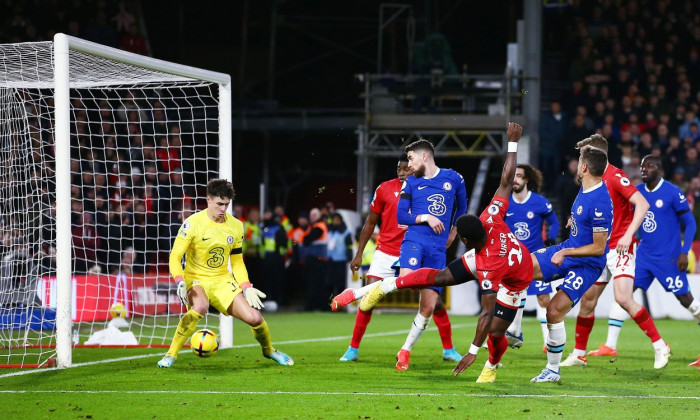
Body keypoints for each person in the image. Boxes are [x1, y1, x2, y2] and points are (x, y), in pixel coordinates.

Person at [333, 122, 534, 382]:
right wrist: (513, 143)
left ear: (463, 239)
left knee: (495, 333)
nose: (406, 165)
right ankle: (374, 290)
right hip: (488, 253)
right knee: (438, 277)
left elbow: (486, 312)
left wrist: (473, 352)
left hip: (514, 280)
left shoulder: (488, 263)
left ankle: (492, 365)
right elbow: (506, 181)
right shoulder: (490, 217)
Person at [559, 135, 671, 372]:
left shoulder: (616, 176)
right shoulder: (591, 180)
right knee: (587, 301)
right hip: (599, 249)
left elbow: (642, 204)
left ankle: (660, 345)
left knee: (623, 298)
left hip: (620, 246)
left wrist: (629, 234)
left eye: (583, 157)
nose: (580, 162)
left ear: (595, 155)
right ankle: (579, 354)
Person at [157, 179, 293, 368]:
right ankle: (171, 354)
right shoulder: (192, 223)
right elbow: (175, 256)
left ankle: (269, 350)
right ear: (209, 200)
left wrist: (246, 287)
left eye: (226, 204)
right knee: (200, 306)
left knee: (255, 318)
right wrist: (180, 280)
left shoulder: (236, 225)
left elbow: (236, 261)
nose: (223, 209)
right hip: (196, 278)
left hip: (222, 280)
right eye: (219, 204)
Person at [590, 155, 700, 362]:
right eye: (642, 166)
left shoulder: (673, 193)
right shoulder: (637, 192)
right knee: (623, 296)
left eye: (649, 166)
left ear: (660, 170)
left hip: (669, 258)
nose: (644, 169)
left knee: (687, 301)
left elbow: (690, 223)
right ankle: (610, 346)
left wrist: (684, 251)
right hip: (644, 256)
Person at [394, 138, 468, 370]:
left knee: (427, 306)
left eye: (411, 158)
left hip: (437, 249)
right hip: (415, 239)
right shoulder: (411, 184)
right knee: (406, 281)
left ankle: (404, 351)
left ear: (424, 156)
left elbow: (462, 208)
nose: (408, 164)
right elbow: (401, 216)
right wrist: (426, 217)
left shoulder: (454, 179)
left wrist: (454, 232)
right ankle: (362, 292)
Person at [335, 154, 411, 362]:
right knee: (369, 299)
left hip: (413, 253)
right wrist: (359, 254)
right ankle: (353, 349)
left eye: (407, 168)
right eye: (399, 169)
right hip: (386, 252)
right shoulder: (384, 189)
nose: (402, 172)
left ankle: (448, 349)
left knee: (433, 301)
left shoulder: (424, 191)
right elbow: (370, 223)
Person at [503, 164, 560, 351]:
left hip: (536, 260)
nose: (515, 180)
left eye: (519, 176)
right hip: (513, 261)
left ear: (526, 179)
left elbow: (555, 223)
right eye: (513, 176)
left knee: (544, 299)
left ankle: (548, 341)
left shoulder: (539, 202)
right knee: (510, 297)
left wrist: (552, 239)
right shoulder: (504, 203)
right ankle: (511, 333)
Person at [302, 208, 329, 311]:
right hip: (315, 260)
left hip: (317, 261)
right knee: (315, 284)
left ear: (319, 216)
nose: (311, 217)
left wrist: (306, 238)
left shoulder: (319, 226)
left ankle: (312, 307)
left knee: (315, 284)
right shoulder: (313, 227)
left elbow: (306, 240)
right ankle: (318, 306)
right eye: (311, 215)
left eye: (314, 215)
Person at [326, 213, 353, 298]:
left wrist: (349, 257)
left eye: (337, 219)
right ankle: (330, 304)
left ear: (341, 220)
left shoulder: (345, 232)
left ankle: (339, 305)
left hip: (341, 260)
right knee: (329, 283)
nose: (335, 221)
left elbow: (349, 246)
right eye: (334, 219)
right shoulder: (329, 230)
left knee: (340, 284)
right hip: (330, 260)